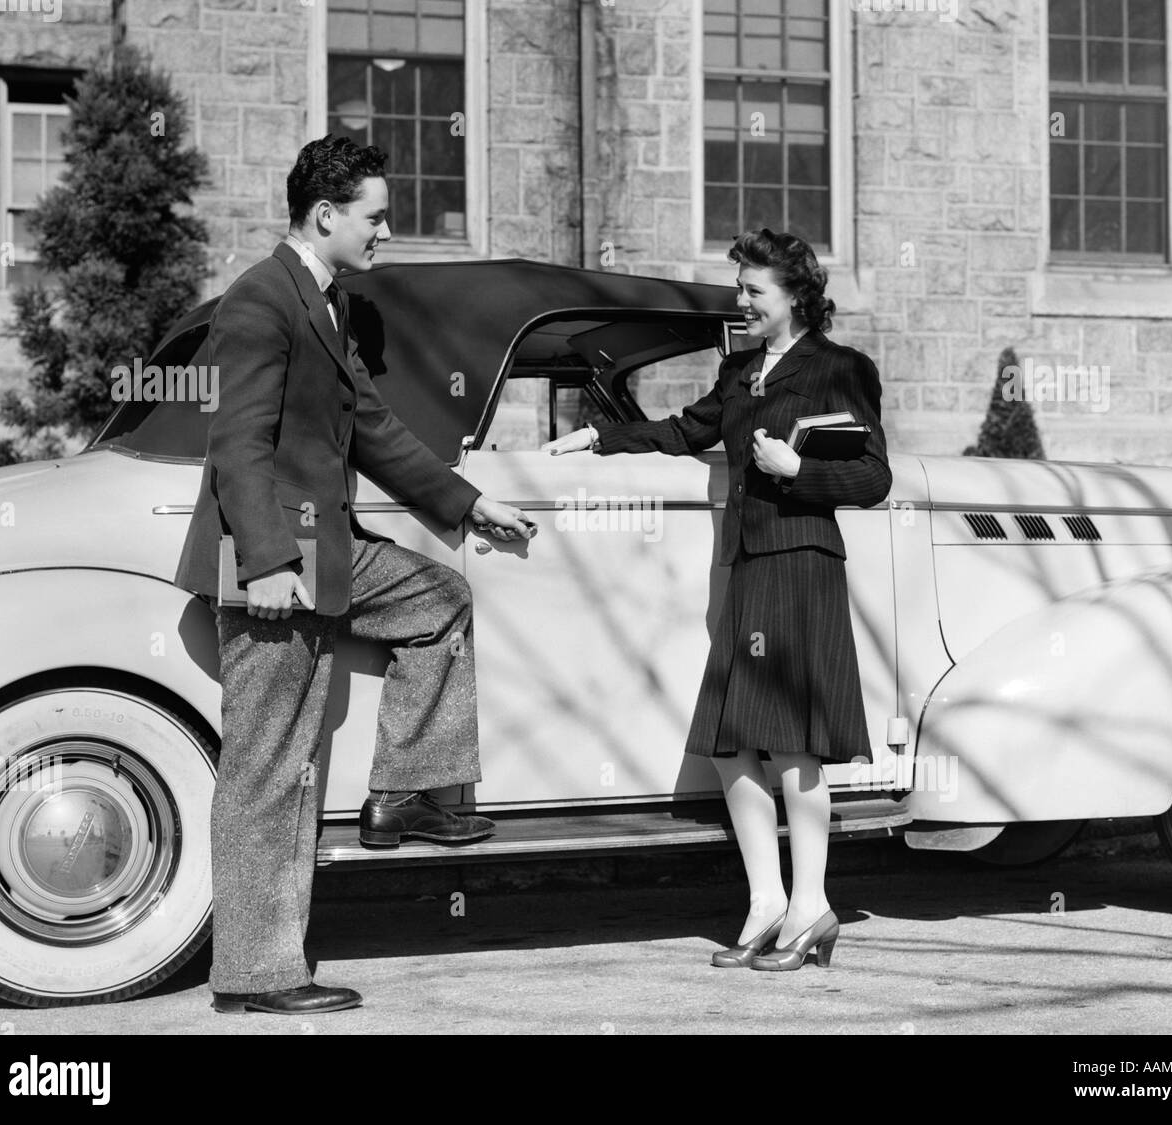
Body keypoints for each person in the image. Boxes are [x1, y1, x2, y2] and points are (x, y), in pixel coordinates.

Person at [174, 135, 536, 1015]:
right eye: (374, 216)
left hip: (324, 553)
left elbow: (372, 428)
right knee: (269, 766)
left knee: (439, 598)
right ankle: (257, 975)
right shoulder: (264, 298)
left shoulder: (327, 303)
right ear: (325, 214)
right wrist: (262, 561)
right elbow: (238, 444)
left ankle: (404, 792)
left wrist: (467, 502)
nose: (385, 232)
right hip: (274, 566)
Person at [544, 229, 890, 970]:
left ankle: (813, 904)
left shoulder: (841, 368)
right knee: (730, 741)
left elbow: (872, 477)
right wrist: (600, 441)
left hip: (801, 563)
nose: (742, 303)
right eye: (740, 290)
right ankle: (767, 901)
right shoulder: (739, 370)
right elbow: (685, 430)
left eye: (754, 292)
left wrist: (798, 467)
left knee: (792, 742)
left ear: (796, 296)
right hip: (746, 567)